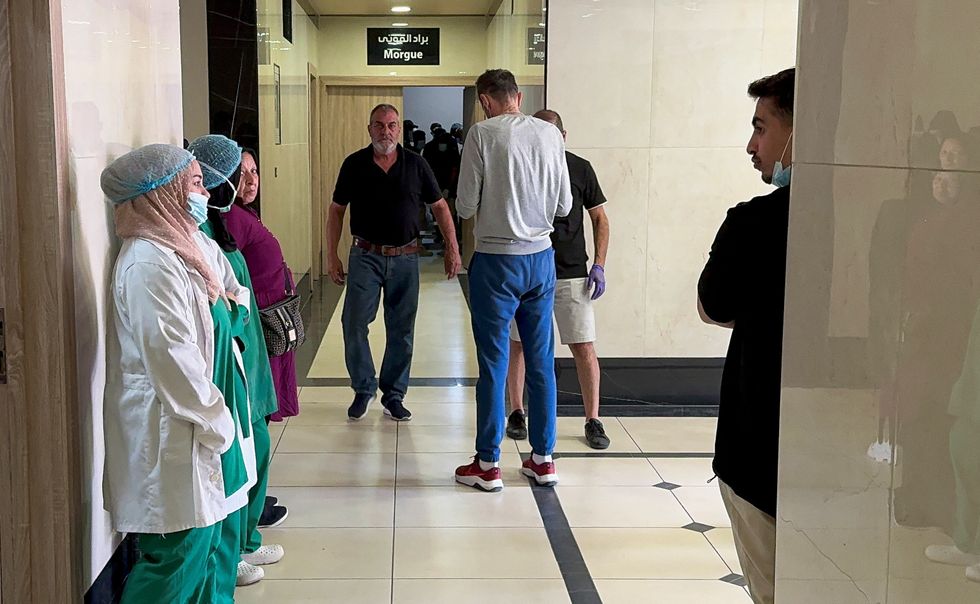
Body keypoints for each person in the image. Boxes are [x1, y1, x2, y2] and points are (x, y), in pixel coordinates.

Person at [101, 144, 236, 603]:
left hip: (185, 429)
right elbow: (173, 362)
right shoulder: (147, 264)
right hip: (170, 431)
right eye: (195, 184)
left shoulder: (176, 249)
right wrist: (218, 422)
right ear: (162, 195)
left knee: (195, 551)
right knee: (173, 562)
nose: (204, 193)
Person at [697, 68, 795, 604]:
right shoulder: (875, 214)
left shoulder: (753, 223)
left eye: (761, 127)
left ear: (798, 131)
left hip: (757, 443)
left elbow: (713, 306)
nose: (751, 145)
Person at [454, 69, 572, 492]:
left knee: (493, 363)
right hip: (541, 259)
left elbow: (466, 205)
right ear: (517, 96)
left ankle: (488, 463)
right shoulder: (550, 135)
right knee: (542, 362)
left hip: (496, 260)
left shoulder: (482, 135)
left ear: (486, 100)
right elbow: (564, 205)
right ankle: (543, 459)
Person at [187, 134, 287, 588]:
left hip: (250, 352)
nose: (242, 182)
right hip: (232, 358)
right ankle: (232, 553)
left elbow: (236, 288)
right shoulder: (203, 232)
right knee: (240, 457)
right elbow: (223, 295)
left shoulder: (225, 226)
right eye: (235, 174)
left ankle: (244, 540)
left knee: (257, 447)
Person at [327, 103, 461, 422]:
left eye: (390, 125)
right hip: (365, 256)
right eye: (378, 125)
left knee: (401, 329)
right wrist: (331, 254)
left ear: (398, 129)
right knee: (354, 322)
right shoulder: (354, 164)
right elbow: (336, 210)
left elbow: (440, 207)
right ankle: (363, 388)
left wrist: (452, 248)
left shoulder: (416, 164)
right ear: (369, 128)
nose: (384, 131)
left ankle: (394, 394)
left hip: (405, 257)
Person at [506, 109, 611, 450]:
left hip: (570, 272)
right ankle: (518, 412)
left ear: (563, 136)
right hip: (530, 268)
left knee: (583, 345)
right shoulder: (521, 165)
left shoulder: (579, 168)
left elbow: (600, 218)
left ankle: (593, 418)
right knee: (519, 342)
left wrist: (600, 264)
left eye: (553, 134)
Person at [223, 148, 301, 426]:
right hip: (260, 318)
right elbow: (229, 271)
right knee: (261, 396)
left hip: (273, 310)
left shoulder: (245, 213)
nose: (251, 180)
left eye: (254, 171)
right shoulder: (232, 216)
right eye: (241, 173)